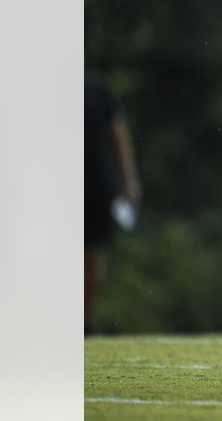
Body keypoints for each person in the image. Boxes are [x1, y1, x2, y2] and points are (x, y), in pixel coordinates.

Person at [85, 70, 142, 330]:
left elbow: (117, 133)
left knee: (91, 253)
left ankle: (83, 325)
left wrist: (128, 178)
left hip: (95, 183)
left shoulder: (97, 88)